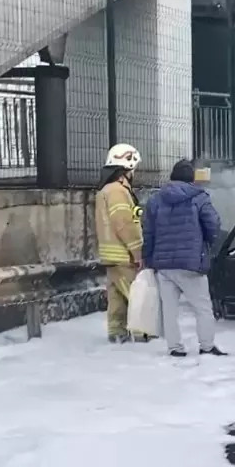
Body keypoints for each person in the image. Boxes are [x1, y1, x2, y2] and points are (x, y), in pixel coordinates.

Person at [143, 159, 226, 357]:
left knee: (169, 310)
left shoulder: (155, 200)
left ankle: (175, 348)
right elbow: (213, 224)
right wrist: (208, 244)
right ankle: (207, 346)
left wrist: (148, 259)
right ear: (191, 179)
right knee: (203, 307)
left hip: (164, 265)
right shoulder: (199, 197)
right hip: (190, 263)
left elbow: (148, 232)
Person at [95, 143, 147, 343]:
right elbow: (124, 223)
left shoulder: (106, 190)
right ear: (127, 168)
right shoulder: (118, 191)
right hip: (123, 254)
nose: (135, 173)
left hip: (111, 255)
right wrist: (137, 252)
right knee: (136, 295)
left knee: (116, 296)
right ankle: (143, 333)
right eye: (134, 168)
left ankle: (117, 333)